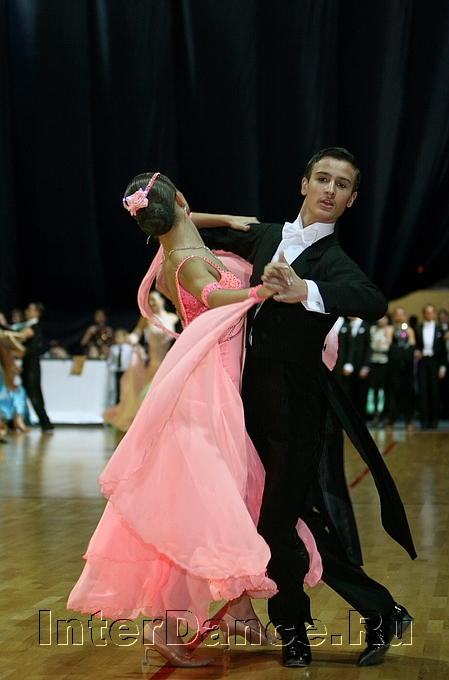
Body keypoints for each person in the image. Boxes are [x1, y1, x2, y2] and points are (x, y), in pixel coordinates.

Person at [67, 172, 322, 668]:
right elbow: (211, 296)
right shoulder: (184, 263)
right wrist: (257, 292)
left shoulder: (173, 245)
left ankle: (239, 612)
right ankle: (166, 627)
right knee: (207, 508)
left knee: (229, 497)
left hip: (215, 383)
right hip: (208, 390)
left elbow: (185, 221)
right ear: (181, 201)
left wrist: (224, 218)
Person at [199, 147, 416, 667]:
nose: (329, 190)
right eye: (322, 179)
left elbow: (373, 301)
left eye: (342, 185)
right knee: (293, 522)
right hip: (251, 405)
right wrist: (215, 216)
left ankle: (294, 630)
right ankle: (381, 612)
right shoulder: (267, 236)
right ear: (304, 184)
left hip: (299, 411)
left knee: (276, 526)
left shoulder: (333, 261)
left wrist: (307, 290)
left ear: (351, 200)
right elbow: (192, 229)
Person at [102, 292, 179, 432]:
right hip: (154, 364)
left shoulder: (173, 318)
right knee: (150, 395)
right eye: (149, 300)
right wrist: (130, 339)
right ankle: (150, 426)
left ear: (162, 300)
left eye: (154, 300)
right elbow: (136, 334)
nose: (152, 303)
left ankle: (164, 425)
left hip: (169, 363)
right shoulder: (147, 318)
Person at [21, 302, 54, 433]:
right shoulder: (27, 326)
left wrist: (19, 351)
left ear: (37, 313)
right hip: (27, 368)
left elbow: (31, 349)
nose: (26, 311)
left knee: (35, 396)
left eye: (30, 310)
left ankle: (46, 423)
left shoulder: (35, 328)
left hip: (31, 369)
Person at [383, 307, 416, 431]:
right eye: (397, 315)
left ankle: (408, 419)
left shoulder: (409, 330)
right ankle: (390, 420)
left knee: (407, 392)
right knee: (392, 392)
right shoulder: (390, 329)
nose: (400, 317)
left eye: (402, 315)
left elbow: (412, 344)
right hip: (393, 367)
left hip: (406, 367)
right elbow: (389, 344)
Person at [414, 304, 447, 429]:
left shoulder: (439, 330)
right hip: (423, 362)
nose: (429, 314)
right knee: (423, 391)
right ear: (423, 314)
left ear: (434, 314)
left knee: (434, 392)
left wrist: (442, 367)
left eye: (431, 312)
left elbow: (443, 350)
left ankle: (434, 420)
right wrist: (416, 352)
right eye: (427, 312)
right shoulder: (418, 328)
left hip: (435, 362)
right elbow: (415, 345)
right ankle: (424, 420)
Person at [368, 314, 391, 425]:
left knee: (385, 390)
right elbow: (371, 345)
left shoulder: (389, 330)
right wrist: (379, 345)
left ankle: (386, 415)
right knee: (374, 390)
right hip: (374, 362)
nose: (381, 320)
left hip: (385, 363)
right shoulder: (373, 329)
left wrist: (379, 346)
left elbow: (387, 347)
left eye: (383, 318)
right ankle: (375, 414)